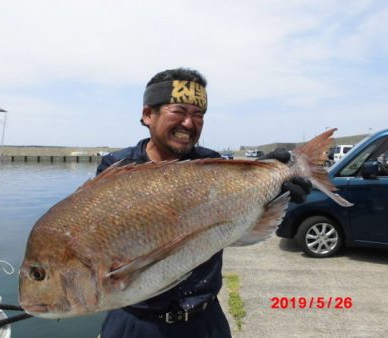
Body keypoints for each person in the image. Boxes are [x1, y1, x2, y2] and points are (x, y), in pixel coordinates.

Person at [96, 68, 311, 338]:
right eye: (179, 111)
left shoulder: (213, 162)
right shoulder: (116, 167)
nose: (189, 123)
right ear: (148, 114)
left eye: (198, 115)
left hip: (204, 319)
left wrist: (272, 190)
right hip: (135, 321)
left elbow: (240, 227)